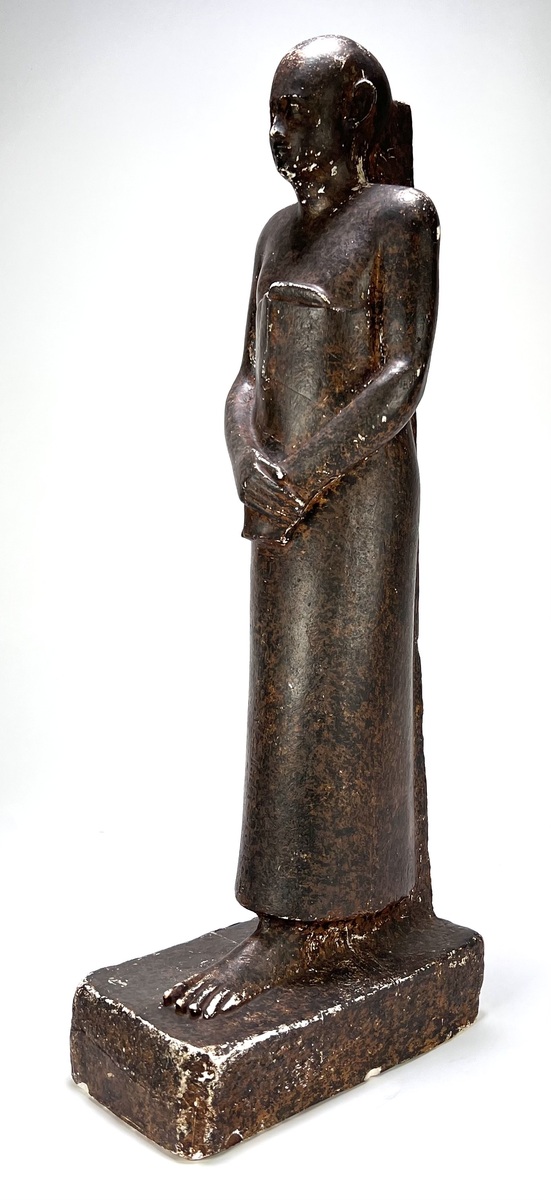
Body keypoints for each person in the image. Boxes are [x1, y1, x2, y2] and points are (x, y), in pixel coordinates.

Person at [164, 35, 439, 1019]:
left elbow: (401, 374)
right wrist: (249, 458)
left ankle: (333, 921)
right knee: (283, 703)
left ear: (354, 111)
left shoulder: (399, 217)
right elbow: (248, 373)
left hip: (355, 501)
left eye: (299, 115)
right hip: (279, 503)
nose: (283, 138)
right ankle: (290, 917)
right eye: (273, 119)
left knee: (348, 688)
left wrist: (307, 470)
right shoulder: (277, 233)